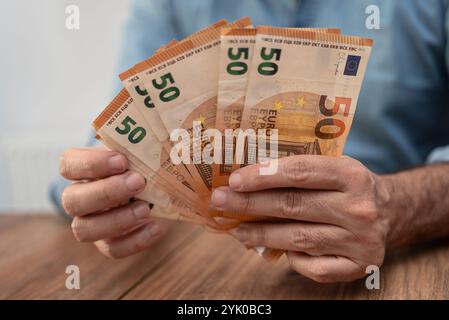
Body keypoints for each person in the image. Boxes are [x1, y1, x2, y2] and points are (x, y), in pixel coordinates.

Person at [53, 0, 449, 283]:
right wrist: (102, 186)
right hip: (201, 274)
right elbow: (120, 135)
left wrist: (395, 205)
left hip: (402, 264)